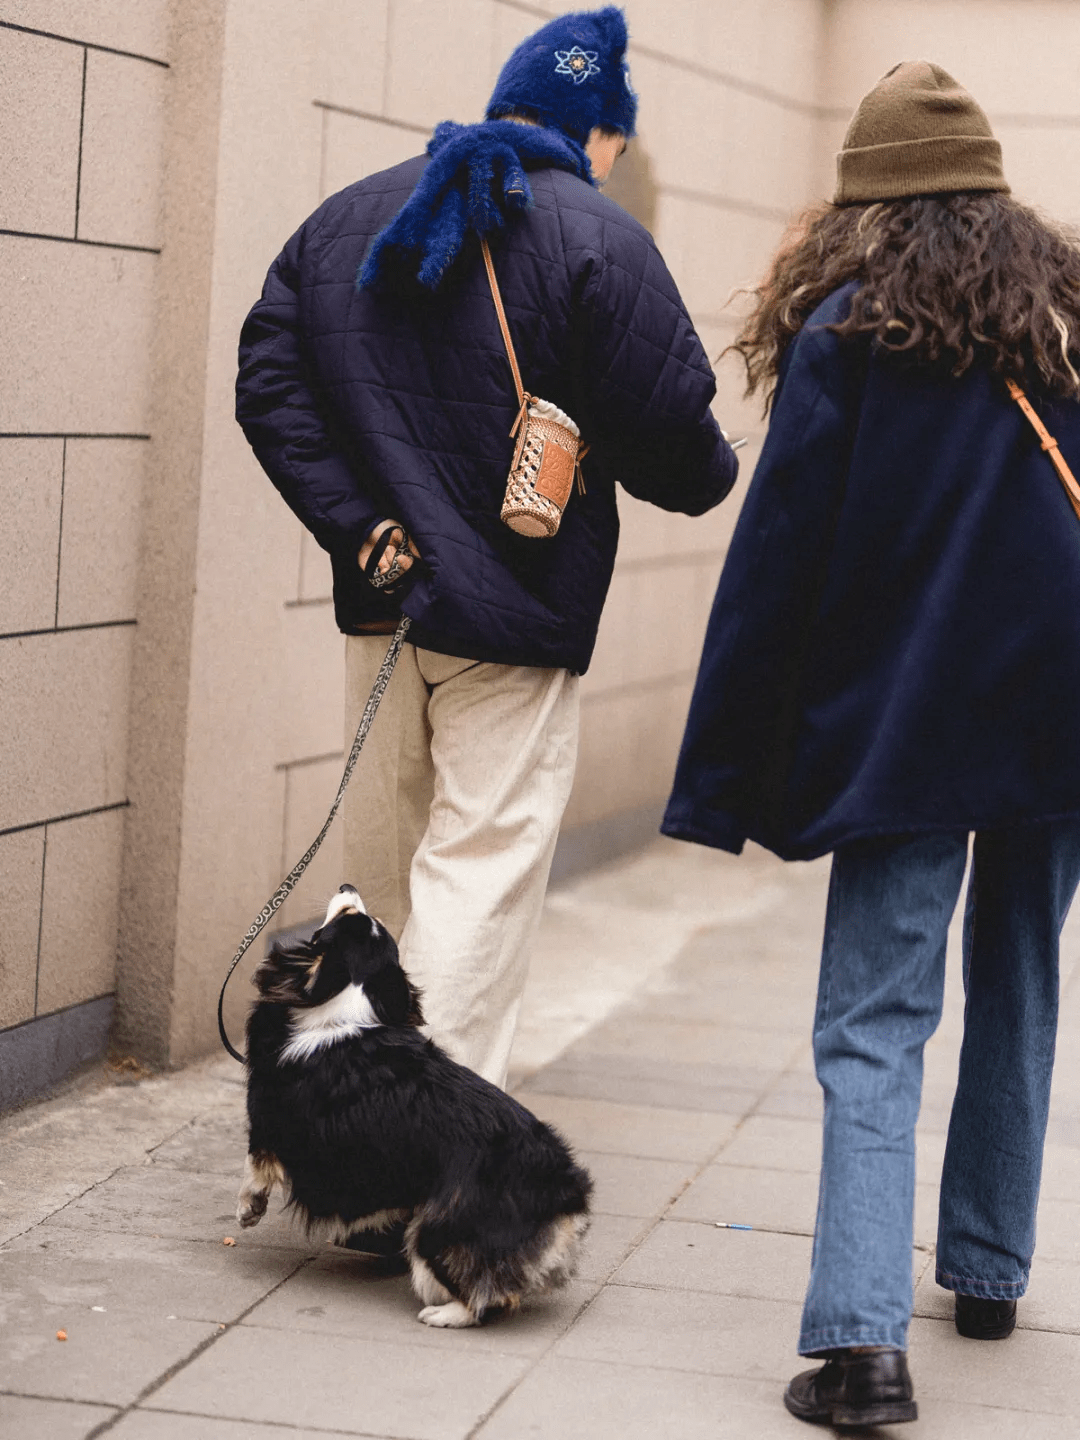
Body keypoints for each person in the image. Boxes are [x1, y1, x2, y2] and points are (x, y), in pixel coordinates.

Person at [662, 61, 1080, 1428]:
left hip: (908, 728)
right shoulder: (1068, 323)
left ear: (869, 206)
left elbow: (777, 569)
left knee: (875, 1019)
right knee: (1019, 980)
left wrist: (726, 774)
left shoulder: (850, 333)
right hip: (1060, 721)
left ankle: (859, 1349)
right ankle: (988, 1271)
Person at [236, 5, 736, 1099]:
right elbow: (683, 455)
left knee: (383, 879)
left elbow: (268, 390)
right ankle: (415, 1145)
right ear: (597, 131)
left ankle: (340, 1114)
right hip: (515, 620)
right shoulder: (603, 241)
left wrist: (365, 533)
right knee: (478, 873)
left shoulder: (347, 219)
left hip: (384, 606)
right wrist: (657, 454)